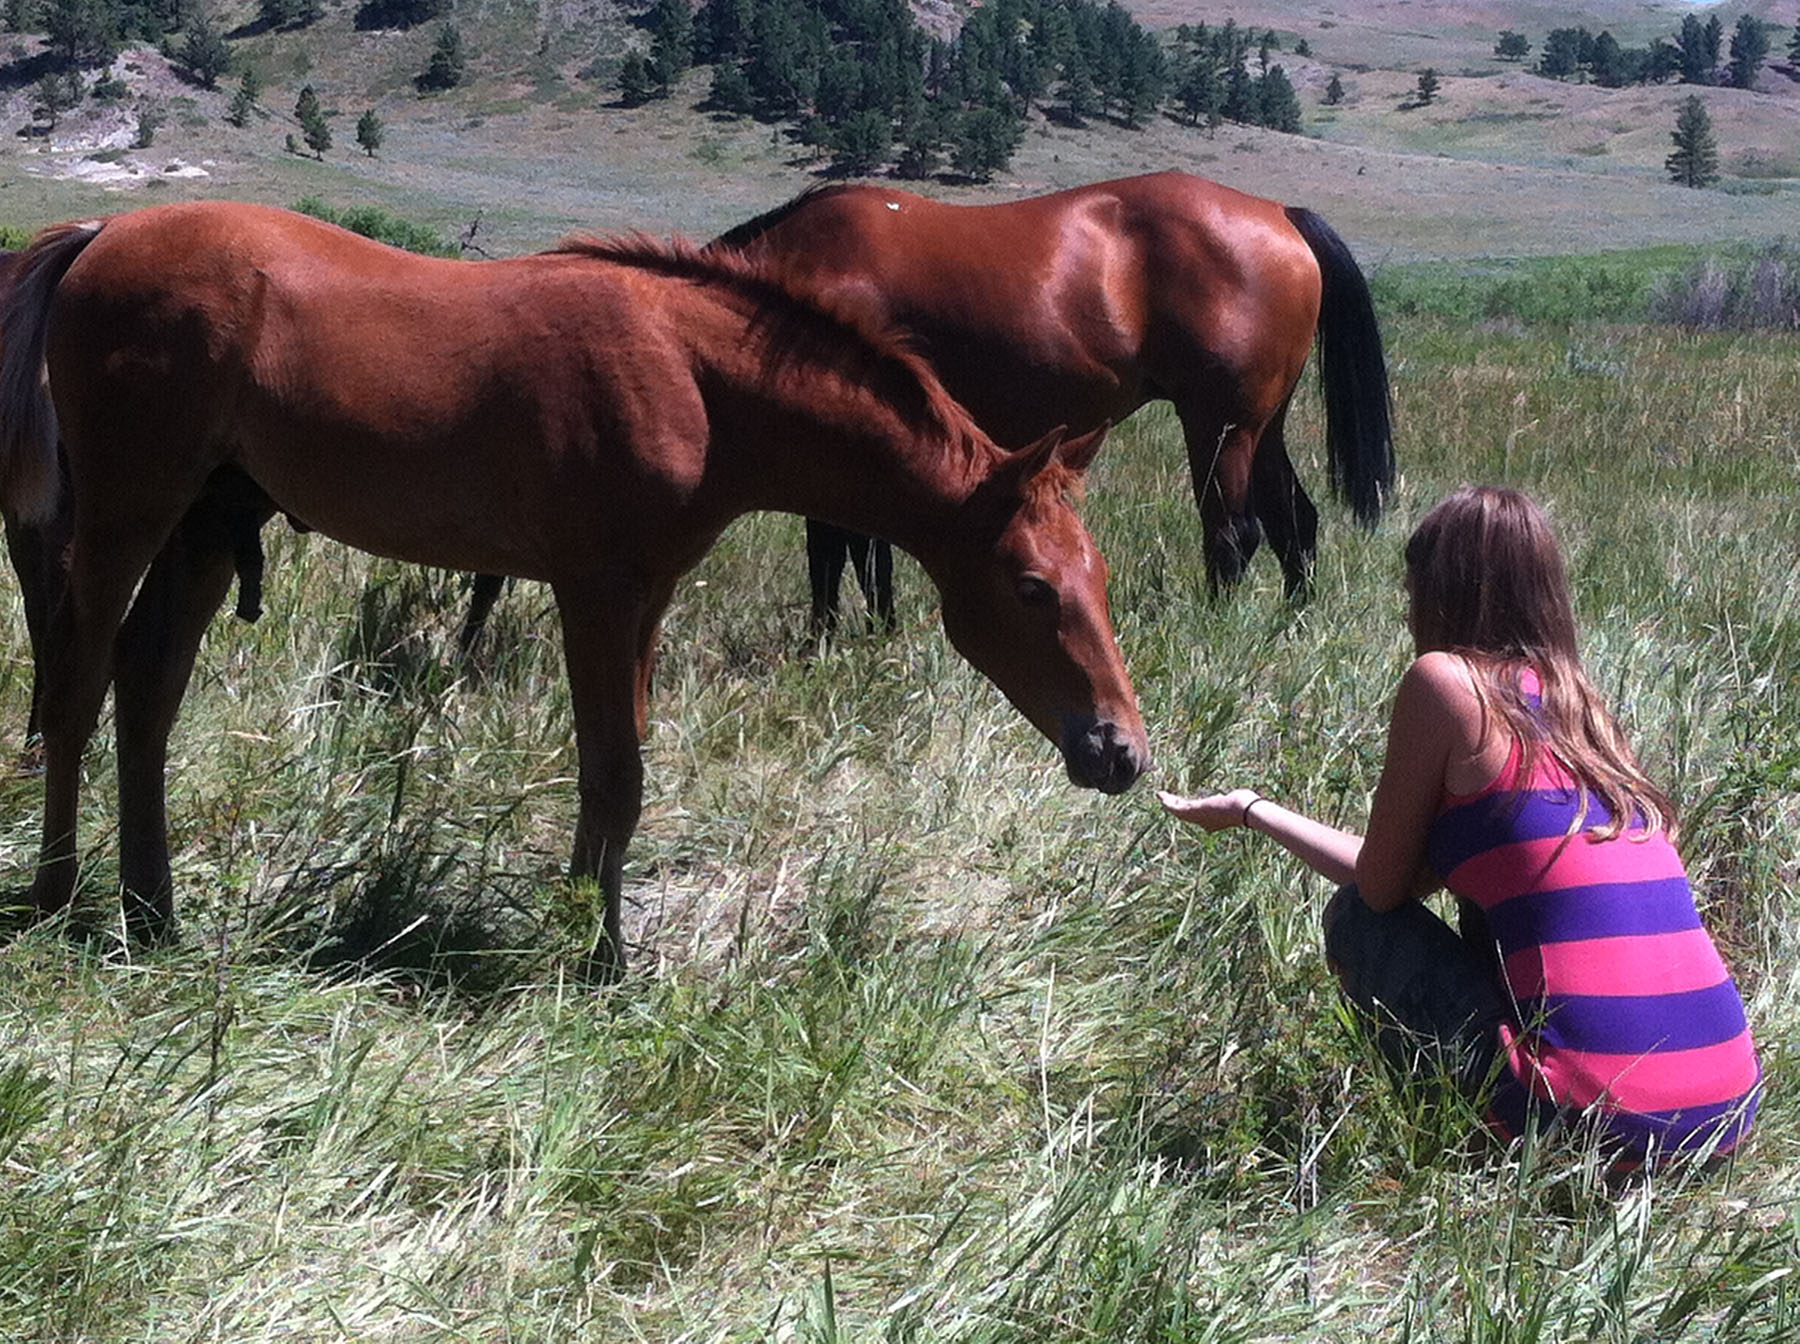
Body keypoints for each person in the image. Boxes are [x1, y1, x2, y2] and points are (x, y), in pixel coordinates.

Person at [1159, 485, 1760, 1169]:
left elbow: (1381, 893)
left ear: (1439, 588)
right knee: (1490, 920)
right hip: (1726, 1116)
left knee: (1359, 922)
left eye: (1410, 583)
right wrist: (1252, 810)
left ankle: (1457, 1148)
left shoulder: (1445, 683)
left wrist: (1249, 810)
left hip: (1596, 1132)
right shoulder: (1583, 712)